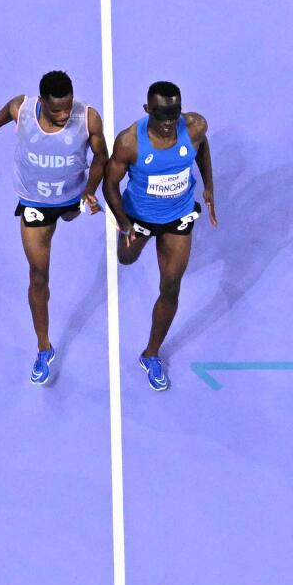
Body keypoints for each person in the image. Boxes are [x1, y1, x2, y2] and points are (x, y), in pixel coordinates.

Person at [0, 69, 107, 382]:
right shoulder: (21, 110)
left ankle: (72, 208)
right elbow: (3, 115)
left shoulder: (88, 118)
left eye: (67, 106)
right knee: (38, 276)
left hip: (74, 196)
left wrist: (91, 189)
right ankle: (43, 347)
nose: (64, 114)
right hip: (36, 205)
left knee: (71, 213)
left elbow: (102, 155)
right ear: (42, 102)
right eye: (57, 110)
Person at [104, 81, 216, 392]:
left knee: (170, 286)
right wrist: (125, 224)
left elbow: (202, 146)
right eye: (161, 114)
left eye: (174, 113)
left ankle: (151, 354)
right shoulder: (129, 142)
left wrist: (208, 186)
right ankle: (130, 238)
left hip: (178, 217)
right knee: (125, 258)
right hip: (138, 218)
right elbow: (109, 185)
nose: (169, 121)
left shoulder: (195, 127)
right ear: (146, 110)